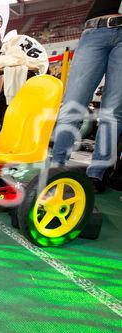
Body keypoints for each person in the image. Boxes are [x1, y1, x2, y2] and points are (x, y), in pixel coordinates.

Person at [51, 0, 122, 193]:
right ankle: (57, 166)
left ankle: (96, 174)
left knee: (113, 111)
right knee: (73, 104)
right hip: (95, 30)